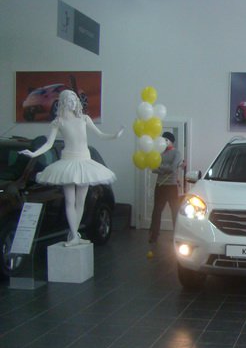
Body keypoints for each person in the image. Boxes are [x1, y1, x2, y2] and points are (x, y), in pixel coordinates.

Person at [19, 89, 123, 247]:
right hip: (68, 162)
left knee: (81, 201)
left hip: (85, 162)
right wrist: (34, 153)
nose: (73, 102)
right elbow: (49, 144)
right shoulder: (59, 122)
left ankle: (75, 234)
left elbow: (100, 135)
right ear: (63, 102)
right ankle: (74, 234)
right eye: (70, 100)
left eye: (75, 100)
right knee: (69, 200)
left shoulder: (84, 119)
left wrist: (115, 135)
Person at [148, 131, 183, 245]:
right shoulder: (159, 152)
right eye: (163, 139)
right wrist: (164, 168)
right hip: (160, 186)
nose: (163, 142)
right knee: (156, 211)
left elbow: (172, 168)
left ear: (171, 141)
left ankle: (177, 236)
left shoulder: (177, 153)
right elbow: (153, 168)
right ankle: (154, 235)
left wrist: (160, 167)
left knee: (175, 212)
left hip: (171, 187)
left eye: (166, 140)